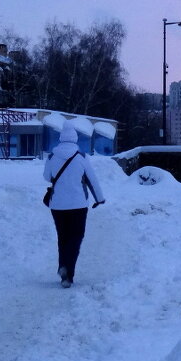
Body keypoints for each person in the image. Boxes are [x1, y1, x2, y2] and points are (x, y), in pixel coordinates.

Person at [43, 121, 105, 288]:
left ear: (61, 138)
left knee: (62, 238)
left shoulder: (51, 156)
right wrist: (99, 198)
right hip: (78, 205)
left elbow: (47, 177)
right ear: (75, 139)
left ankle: (63, 267)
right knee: (76, 237)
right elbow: (92, 180)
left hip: (57, 205)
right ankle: (68, 273)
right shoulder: (81, 157)